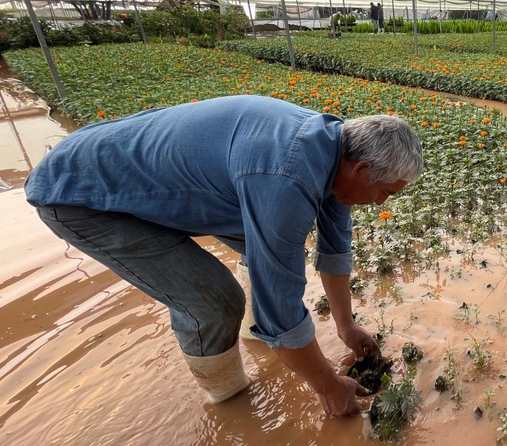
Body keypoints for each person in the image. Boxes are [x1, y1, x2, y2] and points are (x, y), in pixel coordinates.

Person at [24, 95, 424, 417]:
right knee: (215, 304)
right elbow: (282, 311)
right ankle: (229, 401)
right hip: (82, 195)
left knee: (271, 255)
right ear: (362, 169)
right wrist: (329, 388)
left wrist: (346, 326)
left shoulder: (333, 150)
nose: (379, 202)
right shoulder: (286, 177)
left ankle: (258, 339)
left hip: (159, 182)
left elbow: (335, 249)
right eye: (386, 193)